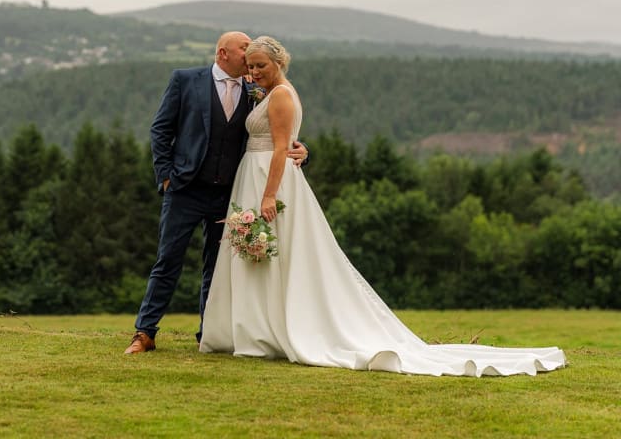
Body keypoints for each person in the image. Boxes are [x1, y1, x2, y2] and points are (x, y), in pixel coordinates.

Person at [199, 36, 567, 376]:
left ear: (279, 62)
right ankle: (255, 328)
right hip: (255, 173)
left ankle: (266, 332)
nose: (254, 72)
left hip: (269, 178)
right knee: (259, 254)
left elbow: (281, 147)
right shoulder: (266, 93)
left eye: (261, 65)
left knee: (275, 253)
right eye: (250, 66)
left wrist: (267, 195)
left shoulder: (279, 95)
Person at [124, 31, 308, 354]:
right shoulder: (185, 80)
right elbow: (160, 129)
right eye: (243, 49)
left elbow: (278, 132)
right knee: (168, 261)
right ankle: (145, 332)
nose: (249, 56)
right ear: (223, 53)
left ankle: (207, 333)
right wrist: (166, 177)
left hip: (229, 194)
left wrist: (302, 150)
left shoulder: (257, 89)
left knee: (218, 266)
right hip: (184, 190)